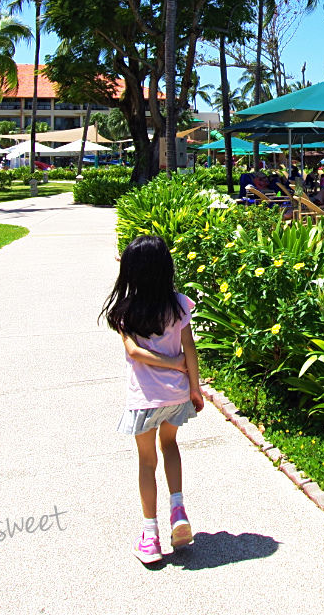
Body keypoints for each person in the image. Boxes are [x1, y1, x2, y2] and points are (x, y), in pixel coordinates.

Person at [101, 235, 204, 565]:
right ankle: (178, 511)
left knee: (147, 462)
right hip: (176, 395)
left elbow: (134, 351)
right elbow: (190, 348)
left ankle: (150, 535)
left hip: (145, 399)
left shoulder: (124, 310)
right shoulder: (178, 304)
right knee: (170, 446)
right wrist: (194, 386)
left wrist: (167, 363)